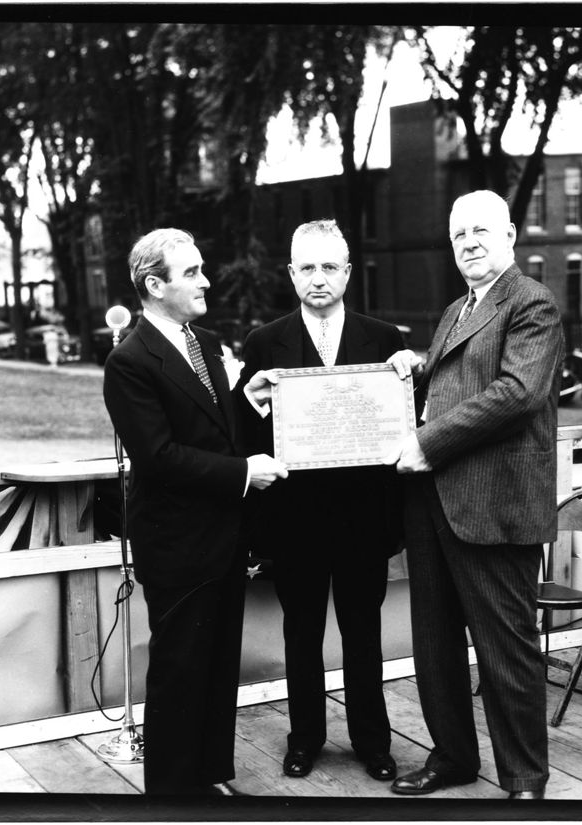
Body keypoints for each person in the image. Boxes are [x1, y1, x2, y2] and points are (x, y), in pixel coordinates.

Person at [384, 190, 563, 800]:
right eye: (459, 235)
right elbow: (457, 379)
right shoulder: (455, 309)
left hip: (494, 503)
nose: (469, 243)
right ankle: (454, 758)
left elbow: (517, 392)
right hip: (433, 503)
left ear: (510, 235)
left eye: (481, 231)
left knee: (505, 651)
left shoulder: (531, 301)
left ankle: (523, 780)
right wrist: (417, 363)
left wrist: (428, 442)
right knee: (434, 647)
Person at [103, 227, 288, 796]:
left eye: (202, 268)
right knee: (181, 672)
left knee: (215, 667)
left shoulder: (204, 343)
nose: (206, 281)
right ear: (154, 285)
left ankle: (209, 779)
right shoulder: (130, 362)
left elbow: (214, 425)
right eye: (191, 273)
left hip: (223, 538)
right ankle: (170, 795)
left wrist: (247, 399)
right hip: (177, 545)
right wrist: (244, 473)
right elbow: (158, 457)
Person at [237, 220, 404, 783]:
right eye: (307, 267)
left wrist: (412, 378)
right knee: (301, 636)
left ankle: (373, 743)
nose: (318, 278)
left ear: (349, 273)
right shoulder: (264, 343)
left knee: (364, 635)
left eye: (330, 267)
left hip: (363, 520)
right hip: (297, 523)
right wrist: (256, 403)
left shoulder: (385, 340)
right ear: (290, 273)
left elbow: (402, 424)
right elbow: (246, 436)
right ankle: (304, 738)